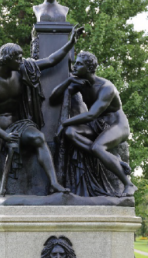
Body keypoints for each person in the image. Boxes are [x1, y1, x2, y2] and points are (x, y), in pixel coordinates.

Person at [0, 25, 84, 200]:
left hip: (17, 124)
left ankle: (53, 182)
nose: (22, 60)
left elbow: (51, 60)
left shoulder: (23, 70)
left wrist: (70, 43)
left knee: (39, 138)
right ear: (6, 59)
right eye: (18, 58)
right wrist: (4, 136)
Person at [49, 51, 137, 197]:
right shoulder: (80, 83)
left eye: (79, 64)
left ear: (89, 68)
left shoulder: (106, 88)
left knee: (98, 147)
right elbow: (53, 98)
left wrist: (64, 123)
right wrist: (68, 82)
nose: (75, 67)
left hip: (116, 125)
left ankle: (129, 184)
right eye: (75, 63)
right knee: (70, 132)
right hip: (97, 125)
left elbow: (91, 114)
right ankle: (113, 160)